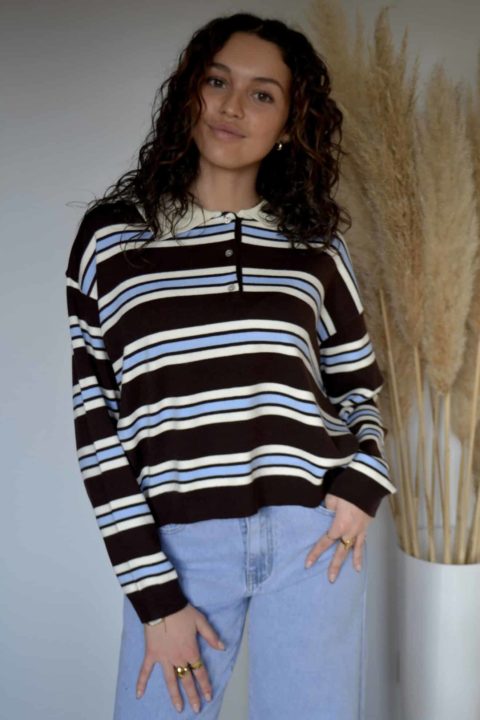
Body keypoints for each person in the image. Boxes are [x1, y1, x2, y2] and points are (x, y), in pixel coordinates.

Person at [65, 11, 396, 720]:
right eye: (218, 81)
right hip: (180, 550)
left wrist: (361, 481)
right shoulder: (113, 239)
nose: (232, 106)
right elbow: (97, 423)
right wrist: (156, 600)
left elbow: (357, 384)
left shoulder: (315, 247)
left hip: (312, 539)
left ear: (290, 124)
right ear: (190, 90)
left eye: (262, 93)